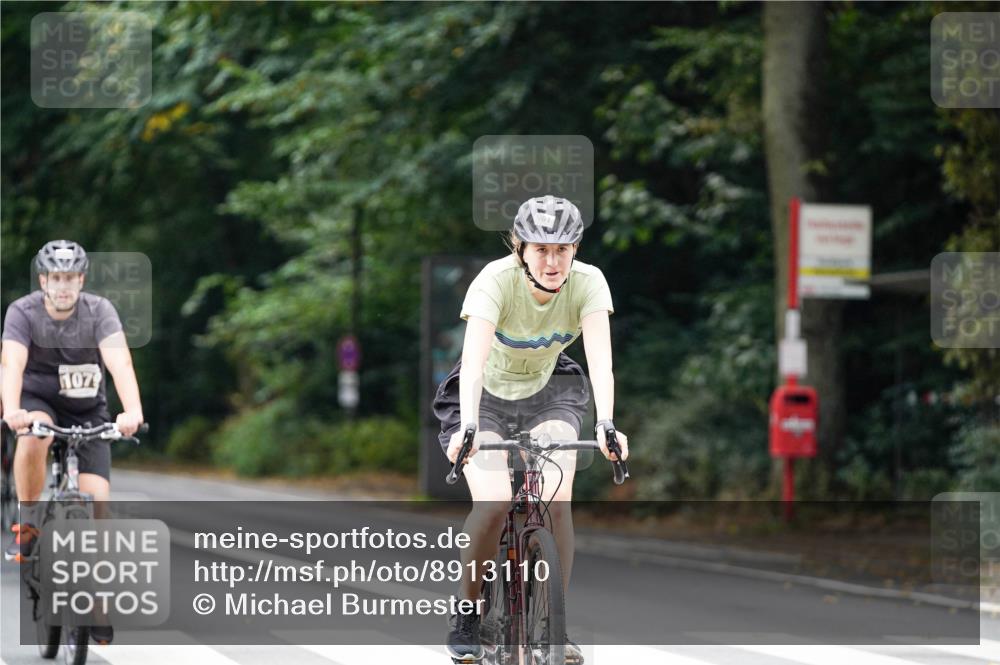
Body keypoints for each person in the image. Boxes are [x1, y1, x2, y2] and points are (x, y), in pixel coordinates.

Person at [433, 195, 629, 664]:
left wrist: (607, 423)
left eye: (563, 249)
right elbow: (474, 363)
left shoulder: (589, 284)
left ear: (576, 248)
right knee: (495, 500)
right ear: (520, 247)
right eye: (541, 249)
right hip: (483, 397)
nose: (553, 260)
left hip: (550, 391)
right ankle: (468, 611)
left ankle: (552, 624)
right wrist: (472, 426)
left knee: (558, 499)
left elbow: (601, 362)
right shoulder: (494, 283)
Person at [1, 240, 143, 645]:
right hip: (39, 403)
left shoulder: (99, 312)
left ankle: (95, 604)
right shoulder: (22, 312)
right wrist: (13, 409)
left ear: (82, 280)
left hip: (87, 413)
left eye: (71, 278)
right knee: (31, 439)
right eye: (56, 278)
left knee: (98, 507)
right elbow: (11, 362)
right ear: (44, 280)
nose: (63, 286)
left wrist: (132, 411)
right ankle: (29, 523)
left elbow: (119, 362)